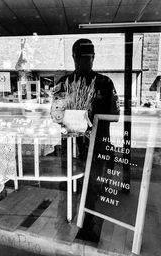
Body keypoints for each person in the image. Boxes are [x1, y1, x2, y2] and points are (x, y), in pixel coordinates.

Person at [51, 38, 120, 243]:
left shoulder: (64, 82)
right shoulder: (104, 83)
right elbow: (116, 115)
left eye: (85, 57)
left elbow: (55, 117)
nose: (84, 61)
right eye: (83, 57)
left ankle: (75, 225)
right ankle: (83, 226)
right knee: (85, 186)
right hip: (83, 146)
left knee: (77, 186)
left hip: (84, 146)